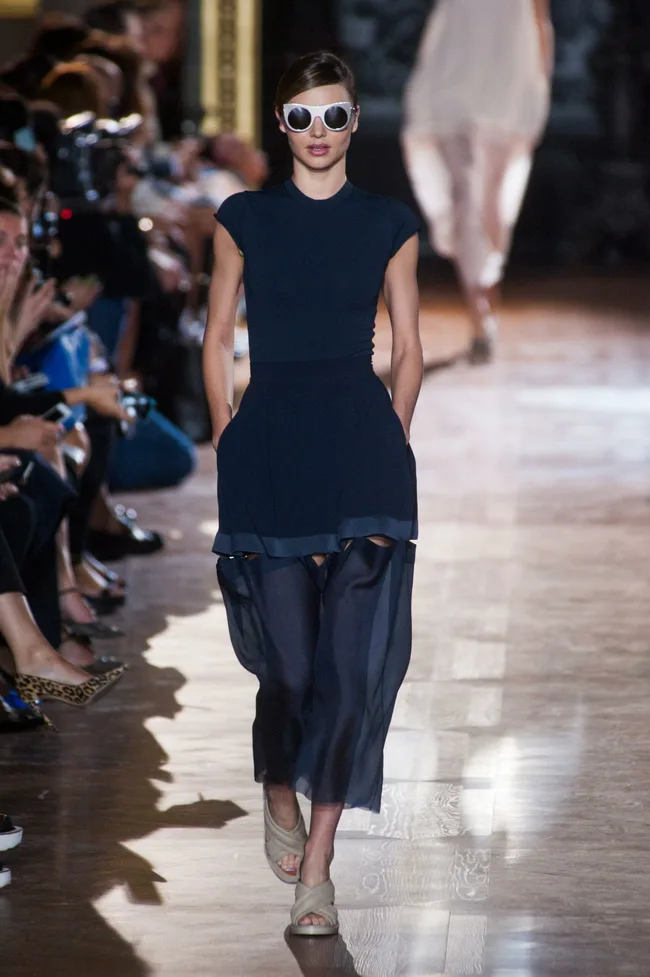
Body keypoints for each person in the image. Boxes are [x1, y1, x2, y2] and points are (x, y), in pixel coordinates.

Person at [203, 52, 422, 936]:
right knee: (290, 670)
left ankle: (319, 873)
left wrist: (392, 436)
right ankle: (275, 784)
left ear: (356, 122)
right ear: (281, 127)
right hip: (269, 446)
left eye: (334, 116)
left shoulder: (389, 222)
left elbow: (408, 343)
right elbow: (218, 333)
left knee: (346, 669)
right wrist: (225, 428)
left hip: (363, 450)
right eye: (302, 118)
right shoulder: (242, 218)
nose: (319, 133)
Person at [402, 0, 554, 362]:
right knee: (463, 196)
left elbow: (540, 17)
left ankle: (488, 301)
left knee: (492, 202)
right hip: (451, 73)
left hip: (507, 79)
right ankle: (478, 312)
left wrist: (542, 82)